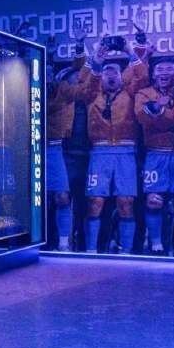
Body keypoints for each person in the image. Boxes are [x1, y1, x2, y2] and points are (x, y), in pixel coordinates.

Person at [135, 57, 174, 256]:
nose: (163, 72)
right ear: (153, 74)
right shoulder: (144, 93)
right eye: (159, 69)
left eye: (169, 69)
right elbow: (141, 116)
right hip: (155, 155)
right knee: (154, 201)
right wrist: (159, 111)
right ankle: (156, 245)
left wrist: (159, 111)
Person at [84, 59, 141, 253]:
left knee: (126, 202)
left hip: (126, 152)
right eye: (106, 72)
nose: (110, 75)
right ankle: (91, 250)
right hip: (99, 153)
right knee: (95, 202)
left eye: (115, 72)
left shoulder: (131, 93)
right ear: (100, 77)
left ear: (122, 76)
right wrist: (95, 62)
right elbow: (86, 81)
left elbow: (142, 76)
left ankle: (127, 252)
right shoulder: (92, 94)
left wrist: (132, 53)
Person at [45, 48, 97, 251]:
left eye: (50, 72)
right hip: (48, 151)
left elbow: (83, 81)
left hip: (75, 154)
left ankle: (71, 243)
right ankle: (50, 242)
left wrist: (81, 47)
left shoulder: (74, 94)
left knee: (73, 200)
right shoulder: (32, 91)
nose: (77, 83)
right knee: (49, 199)